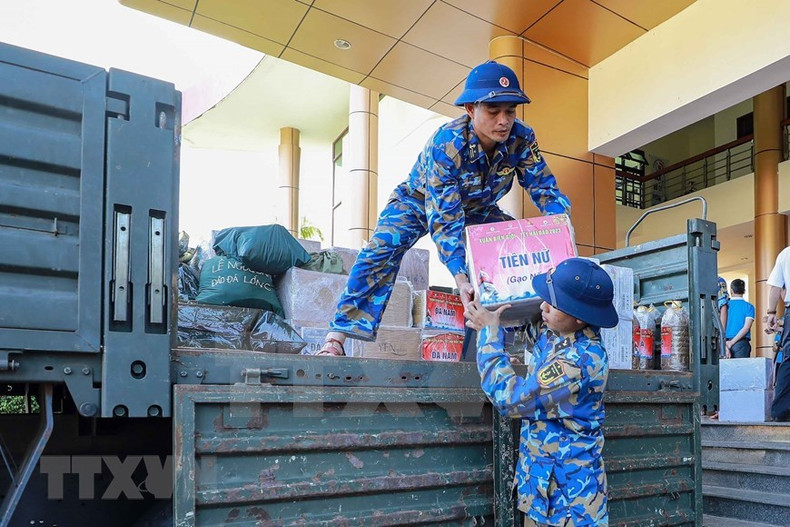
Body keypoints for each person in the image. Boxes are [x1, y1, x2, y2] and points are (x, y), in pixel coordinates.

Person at [318, 60, 571, 356]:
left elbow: (543, 186)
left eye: (510, 111)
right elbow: (444, 218)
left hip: (479, 206)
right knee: (380, 249)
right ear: (470, 110)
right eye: (493, 111)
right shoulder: (447, 144)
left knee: (514, 247)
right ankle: (336, 338)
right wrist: (461, 277)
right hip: (418, 199)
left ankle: (528, 342)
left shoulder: (522, 137)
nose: (503, 120)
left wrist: (562, 238)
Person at [465, 257, 618, 526]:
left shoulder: (578, 362)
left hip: (570, 505)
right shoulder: (559, 330)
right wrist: (482, 293)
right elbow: (525, 325)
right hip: (542, 491)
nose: (543, 307)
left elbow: (511, 400)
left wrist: (489, 337)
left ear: (580, 317)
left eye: (553, 304)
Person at [765, 247, 790, 421]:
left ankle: (781, 412)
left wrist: (771, 312)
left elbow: (775, 286)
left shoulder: (786, 253)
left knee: (789, 361)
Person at [723, 278, 755, 358]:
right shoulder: (749, 307)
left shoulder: (724, 305)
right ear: (744, 291)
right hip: (741, 343)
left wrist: (726, 344)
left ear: (731, 290)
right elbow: (746, 328)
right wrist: (732, 342)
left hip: (724, 343)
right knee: (741, 369)